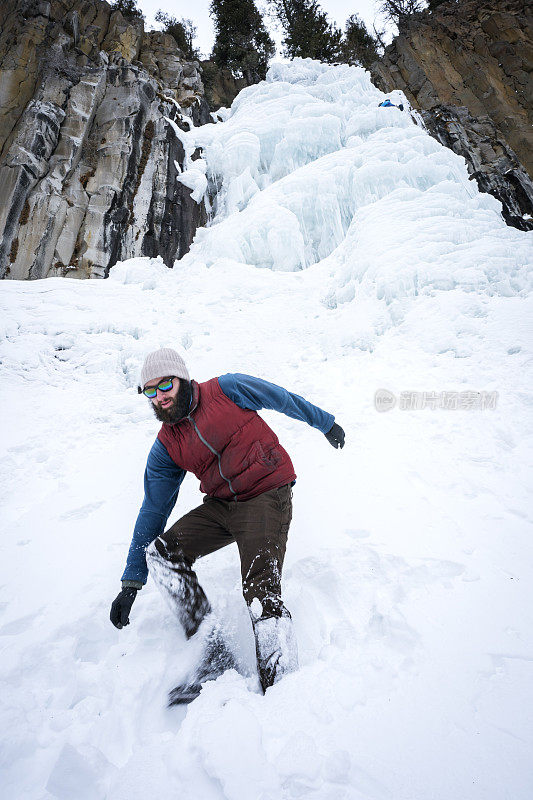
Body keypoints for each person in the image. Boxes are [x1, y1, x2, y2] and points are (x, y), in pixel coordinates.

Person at [110, 348, 345, 701]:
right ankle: (212, 651)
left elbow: (281, 399)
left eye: (166, 385)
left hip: (267, 491)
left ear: (183, 379)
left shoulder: (228, 389)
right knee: (161, 555)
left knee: (260, 590)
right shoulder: (167, 447)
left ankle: (282, 691)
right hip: (223, 504)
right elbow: (153, 510)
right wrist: (131, 581)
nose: (160, 397)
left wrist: (325, 423)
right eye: (150, 391)